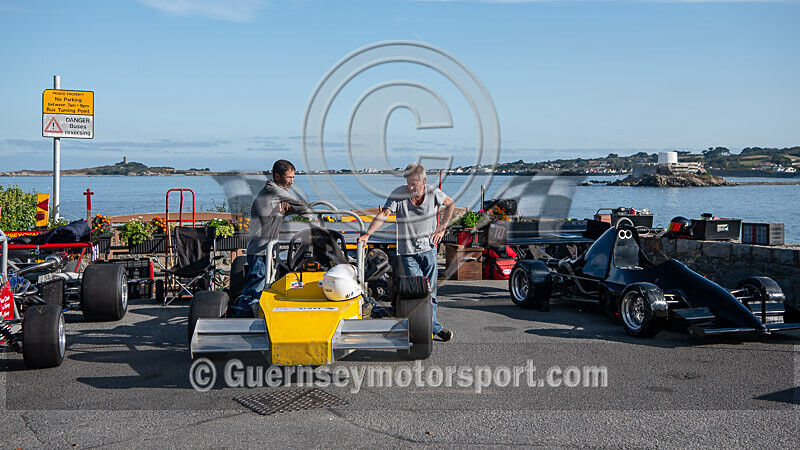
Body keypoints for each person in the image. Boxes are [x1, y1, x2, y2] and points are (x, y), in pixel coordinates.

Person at [357, 163, 455, 341]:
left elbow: (450, 204)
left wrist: (442, 228)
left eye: (414, 184)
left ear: (423, 181)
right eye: (408, 183)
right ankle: (427, 328)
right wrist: (368, 234)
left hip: (429, 249)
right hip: (407, 251)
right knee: (417, 291)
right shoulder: (399, 193)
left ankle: (430, 327)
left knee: (431, 291)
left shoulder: (433, 193)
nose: (410, 188)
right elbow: (384, 214)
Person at [235, 159, 309, 317]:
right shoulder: (274, 190)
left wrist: (288, 210)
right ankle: (240, 322)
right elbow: (303, 205)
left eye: (293, 178)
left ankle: (245, 318)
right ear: (277, 176)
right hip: (261, 250)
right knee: (254, 291)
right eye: (289, 178)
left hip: (265, 250)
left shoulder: (272, 192)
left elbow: (281, 211)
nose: (292, 182)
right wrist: (297, 208)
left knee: (259, 288)